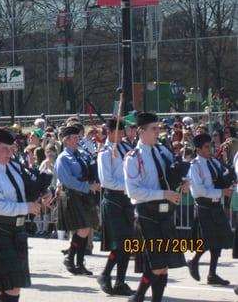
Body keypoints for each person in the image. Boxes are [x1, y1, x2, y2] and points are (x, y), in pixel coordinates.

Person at [124, 112, 186, 302]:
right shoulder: (132, 157)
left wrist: (184, 181)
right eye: (154, 128)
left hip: (165, 212)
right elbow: (133, 192)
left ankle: (146, 298)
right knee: (158, 265)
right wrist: (163, 194)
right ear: (141, 131)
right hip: (147, 214)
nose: (158, 132)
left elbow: (172, 170)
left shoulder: (162, 151)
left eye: (159, 128)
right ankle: (139, 296)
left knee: (164, 264)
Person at [0, 127, 42, 302]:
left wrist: (42, 196)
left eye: (12, 148)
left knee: (6, 287)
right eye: (6, 148)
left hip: (16, 230)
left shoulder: (13, 168)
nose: (10, 152)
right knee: (10, 287)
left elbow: (25, 191)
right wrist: (26, 208)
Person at [186, 133, 233, 285]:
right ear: (198, 149)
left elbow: (225, 174)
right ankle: (194, 261)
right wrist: (221, 192)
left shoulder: (214, 162)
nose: (210, 149)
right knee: (208, 241)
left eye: (210, 146)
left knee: (218, 241)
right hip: (203, 206)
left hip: (215, 205)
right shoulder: (195, 165)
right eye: (206, 147)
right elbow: (199, 190)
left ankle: (212, 274)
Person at [55, 126, 101, 276]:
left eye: (78, 137)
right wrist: (88, 186)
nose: (78, 140)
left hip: (85, 195)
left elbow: (90, 168)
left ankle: (79, 262)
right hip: (73, 195)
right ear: (66, 140)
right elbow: (67, 181)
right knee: (82, 229)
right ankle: (71, 258)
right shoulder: (63, 158)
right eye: (74, 138)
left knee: (86, 229)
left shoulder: (81, 155)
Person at [96, 119, 134, 296]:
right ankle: (105, 274)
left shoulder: (127, 149)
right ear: (109, 132)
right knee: (119, 244)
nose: (121, 135)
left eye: (122, 131)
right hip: (113, 200)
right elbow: (106, 181)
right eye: (118, 132)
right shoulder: (104, 153)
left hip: (127, 200)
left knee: (128, 244)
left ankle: (120, 281)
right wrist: (129, 185)